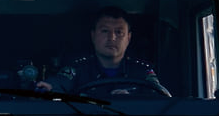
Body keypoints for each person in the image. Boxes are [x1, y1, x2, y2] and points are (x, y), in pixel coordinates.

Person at [37, 6, 170, 96]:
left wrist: (132, 102)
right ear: (93, 35)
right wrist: (47, 88)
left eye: (119, 32)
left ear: (128, 38)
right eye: (105, 31)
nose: (111, 38)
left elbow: (162, 98)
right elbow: (56, 85)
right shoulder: (77, 70)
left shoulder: (142, 72)